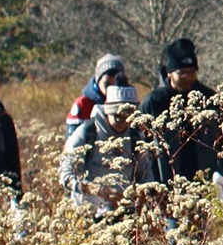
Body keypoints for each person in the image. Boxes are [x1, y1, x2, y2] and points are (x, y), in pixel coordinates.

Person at [141, 38, 223, 196]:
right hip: (168, 188)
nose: (188, 77)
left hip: (206, 184)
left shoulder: (209, 98)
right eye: (182, 72)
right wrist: (153, 188)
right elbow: (143, 148)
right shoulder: (154, 102)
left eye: (192, 72)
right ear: (170, 73)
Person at [60, 84, 163, 216]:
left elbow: (146, 176)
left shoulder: (136, 137)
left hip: (124, 216)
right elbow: (65, 175)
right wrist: (94, 189)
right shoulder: (87, 133)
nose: (122, 122)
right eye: (117, 116)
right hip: (87, 215)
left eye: (127, 117)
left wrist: (141, 196)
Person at [67, 54, 132, 138]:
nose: (110, 90)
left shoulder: (130, 103)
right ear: (98, 81)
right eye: (107, 84)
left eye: (115, 85)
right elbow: (71, 139)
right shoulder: (83, 104)